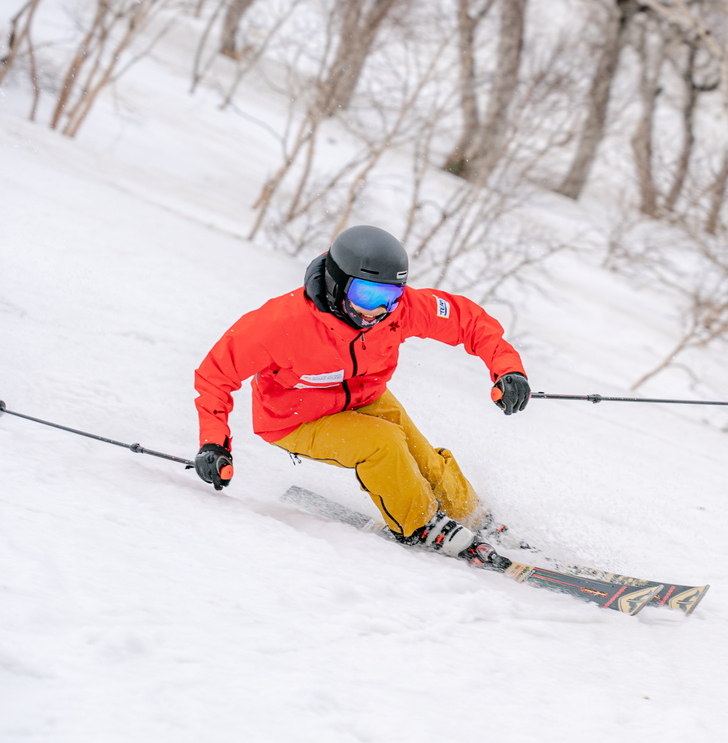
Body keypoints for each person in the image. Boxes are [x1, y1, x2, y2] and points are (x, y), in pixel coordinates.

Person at [192, 224, 530, 567]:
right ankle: (420, 525)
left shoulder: (400, 311)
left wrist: (508, 369)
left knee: (422, 455)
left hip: (364, 396)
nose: (377, 310)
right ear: (338, 283)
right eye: (367, 296)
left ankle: (473, 517)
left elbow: (466, 321)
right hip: (294, 418)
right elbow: (215, 375)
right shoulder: (280, 323)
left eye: (390, 297)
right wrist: (213, 443)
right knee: (382, 443)